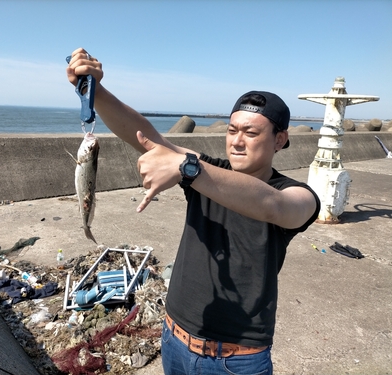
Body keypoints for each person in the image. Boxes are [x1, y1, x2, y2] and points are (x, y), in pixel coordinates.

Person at [67, 48, 321, 375]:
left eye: (251, 132)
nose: (237, 141)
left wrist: (188, 169)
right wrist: (95, 92)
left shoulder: (295, 193)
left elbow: (273, 205)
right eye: (232, 130)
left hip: (236, 358)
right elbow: (145, 136)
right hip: (174, 338)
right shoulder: (206, 171)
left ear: (279, 139)